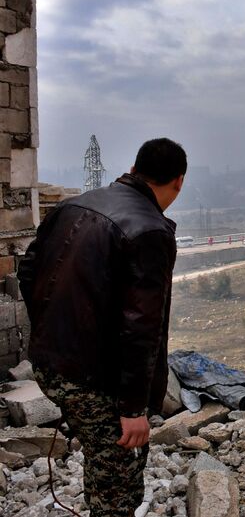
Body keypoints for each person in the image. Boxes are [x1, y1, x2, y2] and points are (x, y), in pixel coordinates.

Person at [18, 138, 187, 517]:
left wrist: (50, 333)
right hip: (93, 380)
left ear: (133, 168)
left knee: (102, 456)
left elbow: (28, 272)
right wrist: (132, 408)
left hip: (49, 364)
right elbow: (142, 327)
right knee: (119, 476)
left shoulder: (73, 205)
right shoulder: (150, 231)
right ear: (179, 181)